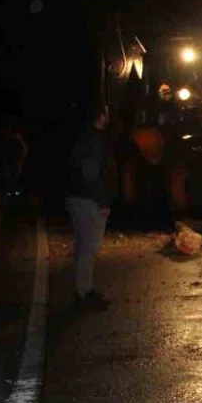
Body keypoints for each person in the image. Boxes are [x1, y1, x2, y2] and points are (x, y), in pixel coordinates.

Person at [65, 104, 113, 310]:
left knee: (83, 245)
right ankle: (84, 293)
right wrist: (102, 201)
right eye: (107, 113)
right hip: (88, 200)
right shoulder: (94, 140)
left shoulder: (82, 136)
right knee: (89, 247)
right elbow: (91, 172)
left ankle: (82, 289)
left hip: (76, 197)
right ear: (101, 116)